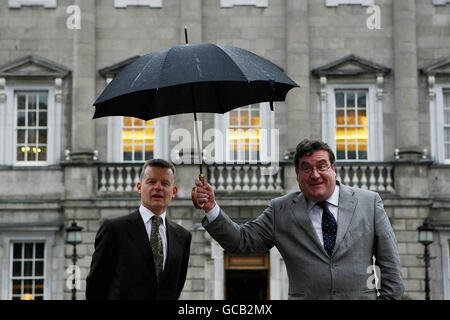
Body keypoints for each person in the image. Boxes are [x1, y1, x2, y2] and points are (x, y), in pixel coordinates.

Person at [195, 139, 404, 300]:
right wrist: (212, 208)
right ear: (297, 173)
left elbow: (390, 266)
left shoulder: (369, 202)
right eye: (307, 168)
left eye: (322, 166)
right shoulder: (281, 210)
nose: (315, 175)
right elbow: (241, 241)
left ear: (333, 168)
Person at [86, 159, 191, 300]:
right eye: (152, 182)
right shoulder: (114, 229)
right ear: (140, 187)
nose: (158, 187)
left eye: (165, 183)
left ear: (174, 191)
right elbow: (95, 285)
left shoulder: (183, 236)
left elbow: (176, 288)